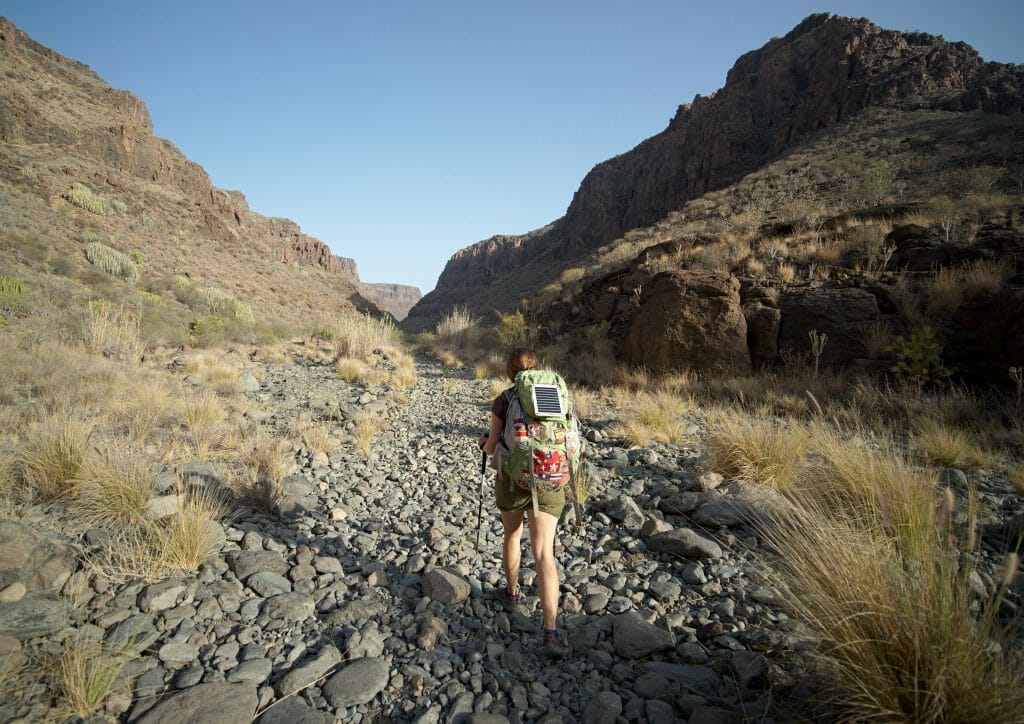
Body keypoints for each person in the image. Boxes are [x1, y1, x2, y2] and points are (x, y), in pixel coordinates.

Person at [477, 347, 565, 651]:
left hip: (513, 480)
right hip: (551, 477)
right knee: (544, 553)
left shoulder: (504, 399)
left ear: (510, 370)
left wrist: (483, 443)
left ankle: (512, 593)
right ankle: (550, 630)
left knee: (512, 535)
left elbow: (491, 447)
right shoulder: (558, 394)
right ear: (537, 367)